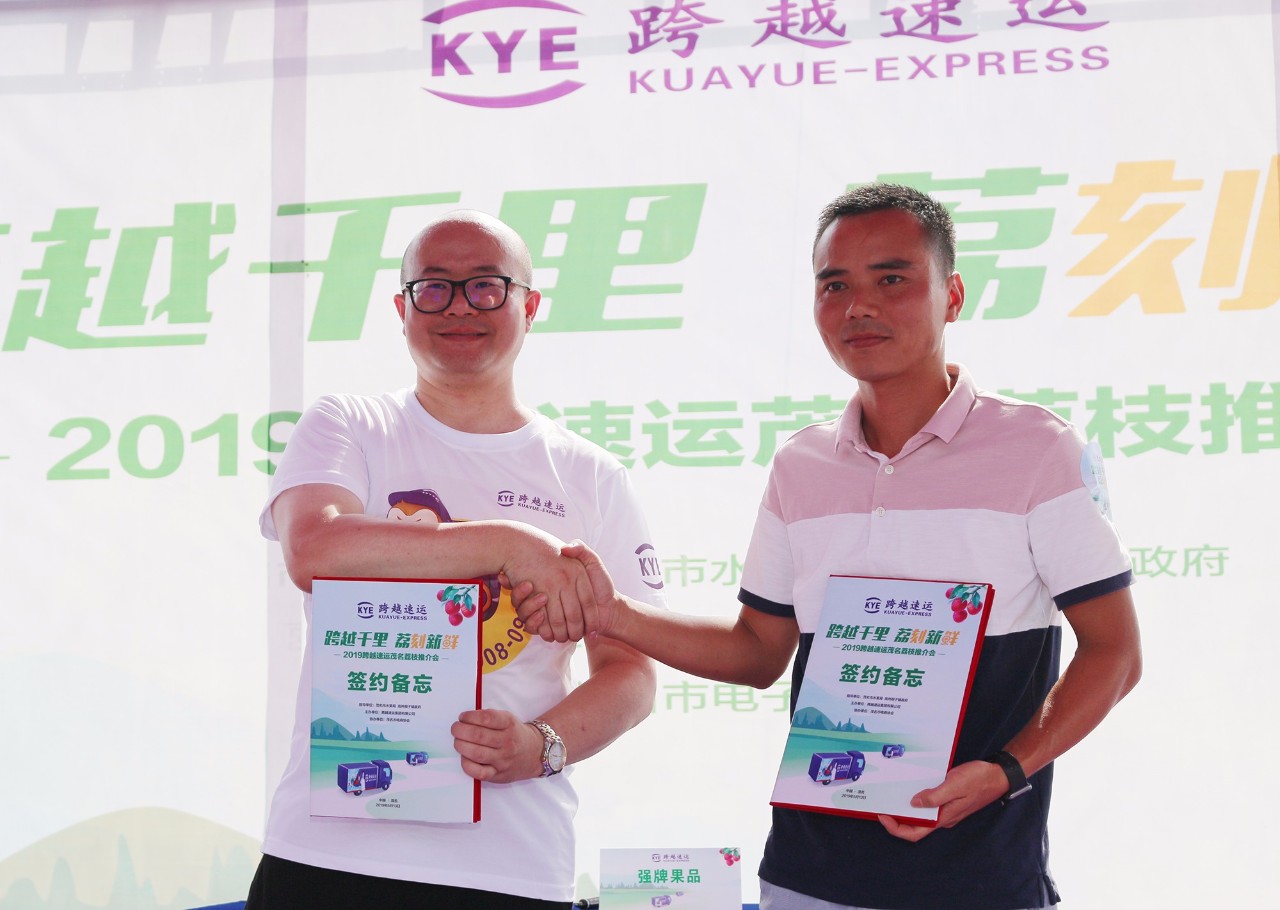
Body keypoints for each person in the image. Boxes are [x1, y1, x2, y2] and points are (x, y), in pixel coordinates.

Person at [517, 183, 1142, 909]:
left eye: (892, 279)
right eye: (834, 285)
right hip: (807, 877)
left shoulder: (1036, 450)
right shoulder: (802, 465)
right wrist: (613, 614)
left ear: (952, 295)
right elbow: (758, 651)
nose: (858, 307)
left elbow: (1115, 653)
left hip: (979, 878)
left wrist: (1006, 770)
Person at [245, 211, 661, 909]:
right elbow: (314, 550)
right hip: (329, 850)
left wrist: (541, 744)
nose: (460, 307)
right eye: (434, 287)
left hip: (509, 863)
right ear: (402, 309)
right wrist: (508, 544)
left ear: (529, 305)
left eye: (486, 287)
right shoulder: (350, 425)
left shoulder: (589, 475)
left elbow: (632, 675)